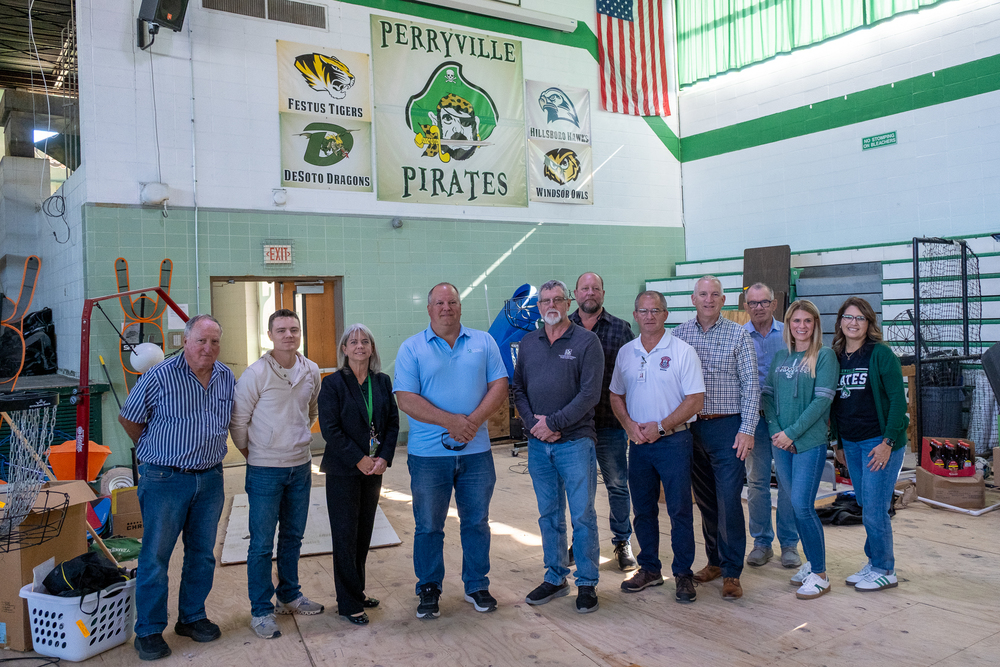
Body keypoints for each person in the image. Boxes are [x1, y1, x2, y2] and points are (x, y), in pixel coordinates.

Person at [118, 315, 234, 661]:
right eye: (200, 341)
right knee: (155, 556)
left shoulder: (226, 377)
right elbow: (130, 418)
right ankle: (149, 630)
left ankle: (192, 617)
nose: (207, 348)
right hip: (165, 479)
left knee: (202, 553)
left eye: (214, 341)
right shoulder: (159, 376)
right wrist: (157, 453)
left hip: (210, 478)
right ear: (185, 341)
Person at [394, 283, 508, 619]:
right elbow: (405, 398)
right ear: (429, 309)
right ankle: (429, 586)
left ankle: (476, 584)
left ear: (460, 307)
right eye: (440, 302)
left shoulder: (483, 342)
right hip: (429, 457)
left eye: (453, 302)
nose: (447, 307)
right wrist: (451, 422)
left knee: (476, 522)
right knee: (428, 524)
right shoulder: (412, 348)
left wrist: (471, 422)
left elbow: (499, 385)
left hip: (477, 453)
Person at [230, 309, 323, 640]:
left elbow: (311, 410)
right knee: (260, 543)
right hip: (265, 469)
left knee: (293, 537)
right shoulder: (255, 374)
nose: (288, 335)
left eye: (294, 329)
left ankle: (289, 595)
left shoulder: (311, 370)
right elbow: (238, 422)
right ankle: (261, 610)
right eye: (281, 330)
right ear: (270, 335)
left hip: (300, 466)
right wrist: (254, 454)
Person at [513, 279, 605, 614]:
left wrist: (553, 423)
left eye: (556, 299)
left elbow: (589, 395)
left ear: (568, 303)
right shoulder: (528, 342)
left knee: (582, 515)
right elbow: (518, 388)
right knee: (548, 515)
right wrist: (534, 426)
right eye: (544, 301)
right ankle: (555, 577)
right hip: (539, 444)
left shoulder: (586, 341)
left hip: (575, 442)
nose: (550, 305)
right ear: (538, 307)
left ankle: (587, 582)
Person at [610, 291, 705, 603]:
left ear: (665, 315)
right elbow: (615, 395)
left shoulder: (682, 351)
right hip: (638, 444)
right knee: (643, 510)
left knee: (679, 510)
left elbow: (695, 400)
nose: (649, 316)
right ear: (635, 315)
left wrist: (661, 425)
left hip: (674, 441)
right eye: (643, 310)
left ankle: (683, 574)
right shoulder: (626, 352)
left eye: (655, 310)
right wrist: (628, 425)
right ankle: (650, 568)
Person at [673, 275, 759, 601]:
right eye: (703, 294)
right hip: (691, 430)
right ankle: (714, 562)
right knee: (706, 502)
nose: (709, 299)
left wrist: (747, 430)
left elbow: (751, 386)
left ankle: (733, 571)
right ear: (693, 299)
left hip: (728, 429)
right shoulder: (678, 336)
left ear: (723, 301)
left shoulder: (739, 335)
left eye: (715, 295)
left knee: (728, 501)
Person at [318, 323, 399, 625]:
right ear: (344, 349)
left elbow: (392, 423)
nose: (360, 347)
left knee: (363, 534)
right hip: (344, 470)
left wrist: (384, 458)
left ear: (372, 348)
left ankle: (357, 590)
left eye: (365, 341)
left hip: (374, 469)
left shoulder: (381, 381)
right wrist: (358, 459)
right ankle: (347, 602)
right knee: (345, 536)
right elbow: (330, 429)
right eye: (353, 342)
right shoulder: (333, 383)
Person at [829, 297, 909, 592]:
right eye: (848, 317)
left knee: (875, 509)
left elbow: (898, 402)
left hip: (880, 442)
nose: (853, 323)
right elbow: (835, 404)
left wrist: (888, 442)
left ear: (869, 323)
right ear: (840, 322)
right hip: (851, 442)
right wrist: (837, 441)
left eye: (860, 318)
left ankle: (885, 568)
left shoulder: (881, 354)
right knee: (865, 504)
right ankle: (874, 560)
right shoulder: (836, 356)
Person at [761, 300, 838, 600]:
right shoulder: (781, 356)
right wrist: (775, 432)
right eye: (796, 321)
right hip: (781, 443)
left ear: (815, 325)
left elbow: (821, 403)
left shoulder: (824, 356)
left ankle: (820, 573)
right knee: (792, 506)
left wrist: (791, 434)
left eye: (808, 321)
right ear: (788, 324)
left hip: (809, 444)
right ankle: (810, 563)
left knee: (804, 507)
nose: (802, 326)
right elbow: (767, 397)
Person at [569, 271, 638, 571]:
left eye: (595, 288)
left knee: (617, 485)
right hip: (573, 426)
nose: (590, 293)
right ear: (575, 293)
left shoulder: (621, 329)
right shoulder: (561, 327)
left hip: (610, 424)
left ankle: (622, 542)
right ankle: (580, 541)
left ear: (603, 294)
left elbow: (632, 376)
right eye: (585, 288)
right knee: (578, 488)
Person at [742, 283, 801, 569]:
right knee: (756, 483)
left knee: (788, 483)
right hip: (753, 420)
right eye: (752, 303)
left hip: (786, 420)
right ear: (745, 305)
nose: (758, 307)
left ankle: (789, 544)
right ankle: (762, 542)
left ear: (774, 304)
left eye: (764, 302)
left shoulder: (790, 333)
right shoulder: (739, 335)